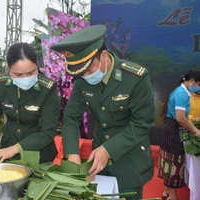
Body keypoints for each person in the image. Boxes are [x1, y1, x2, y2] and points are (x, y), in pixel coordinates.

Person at [51, 25, 155, 200]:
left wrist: (108, 150)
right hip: (97, 163)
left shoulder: (135, 78)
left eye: (89, 70)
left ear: (104, 56)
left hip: (130, 160)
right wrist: (72, 154)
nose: (85, 76)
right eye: (81, 73)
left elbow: (141, 125)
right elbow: (70, 118)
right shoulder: (82, 79)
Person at [0, 42, 60, 164]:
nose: (25, 78)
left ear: (37, 65)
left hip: (40, 156)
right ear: (9, 69)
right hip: (8, 151)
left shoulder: (47, 90)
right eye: (18, 74)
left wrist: (13, 150)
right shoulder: (1, 85)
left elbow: (47, 132)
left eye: (31, 73)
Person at [159, 69, 200, 200]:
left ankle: (167, 192)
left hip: (172, 129)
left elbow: (183, 117)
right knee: (174, 163)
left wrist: (193, 121)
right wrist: (196, 131)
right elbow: (180, 118)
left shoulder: (182, 92)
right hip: (173, 132)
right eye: (199, 84)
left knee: (170, 162)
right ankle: (172, 196)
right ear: (192, 81)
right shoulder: (182, 93)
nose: (199, 88)